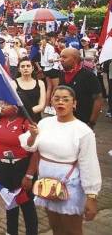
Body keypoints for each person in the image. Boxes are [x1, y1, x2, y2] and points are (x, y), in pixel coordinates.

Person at [20, 85, 101, 234]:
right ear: (51, 102)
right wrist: (32, 135)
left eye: (65, 99)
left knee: (72, 230)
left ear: (74, 103)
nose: (60, 102)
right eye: (56, 99)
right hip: (48, 185)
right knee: (55, 227)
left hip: (71, 186)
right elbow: (30, 147)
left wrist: (91, 195)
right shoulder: (45, 123)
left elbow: (89, 164)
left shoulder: (83, 131)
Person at [0, 101, 38, 235]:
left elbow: (37, 151)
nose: (1, 107)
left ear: (16, 106)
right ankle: (11, 232)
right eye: (1, 104)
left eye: (6, 104)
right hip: (3, 168)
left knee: (26, 204)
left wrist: (29, 175)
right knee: (9, 202)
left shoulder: (26, 123)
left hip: (22, 168)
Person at [58, 48, 103, 127]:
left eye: (64, 57)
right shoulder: (61, 74)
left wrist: (92, 122)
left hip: (83, 122)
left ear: (75, 59)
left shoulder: (88, 76)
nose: (61, 60)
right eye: (60, 57)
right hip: (64, 120)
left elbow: (98, 99)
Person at [15, 57, 46, 122]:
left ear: (32, 68)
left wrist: (26, 113)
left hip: (35, 119)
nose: (25, 68)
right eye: (22, 66)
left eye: (28, 66)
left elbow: (41, 105)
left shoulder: (40, 83)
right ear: (19, 69)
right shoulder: (13, 83)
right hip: (19, 120)